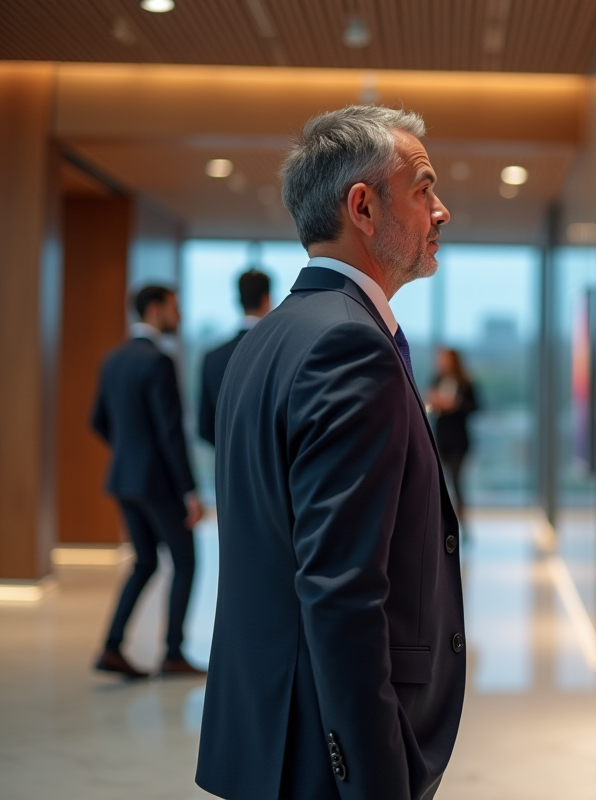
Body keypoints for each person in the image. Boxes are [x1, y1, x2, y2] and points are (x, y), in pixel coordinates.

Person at [196, 105, 465, 800]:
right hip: (325, 748)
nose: (442, 210)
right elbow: (341, 589)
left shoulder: (267, 339)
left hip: (269, 726)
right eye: (424, 188)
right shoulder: (350, 346)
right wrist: (375, 780)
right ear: (363, 207)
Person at [90, 285, 206, 679]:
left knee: (144, 563)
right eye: (175, 308)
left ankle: (111, 646)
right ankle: (173, 654)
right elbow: (170, 433)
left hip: (124, 480)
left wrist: (128, 453)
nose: (180, 316)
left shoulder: (114, 358)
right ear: (155, 310)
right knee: (186, 562)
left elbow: (98, 421)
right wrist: (189, 491)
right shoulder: (158, 361)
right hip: (157, 484)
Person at [197, 269, 272, 445]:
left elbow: (204, 427)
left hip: (226, 467)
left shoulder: (212, 357)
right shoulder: (280, 352)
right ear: (266, 299)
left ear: (239, 301)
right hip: (272, 467)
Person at [427, 347, 479, 524]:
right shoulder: (436, 380)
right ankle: (436, 524)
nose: (441, 362)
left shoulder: (466, 383)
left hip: (458, 440)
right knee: (436, 483)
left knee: (456, 484)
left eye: (444, 359)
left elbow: (476, 407)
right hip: (440, 438)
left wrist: (455, 405)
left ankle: (461, 525)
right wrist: (435, 402)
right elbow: (429, 406)